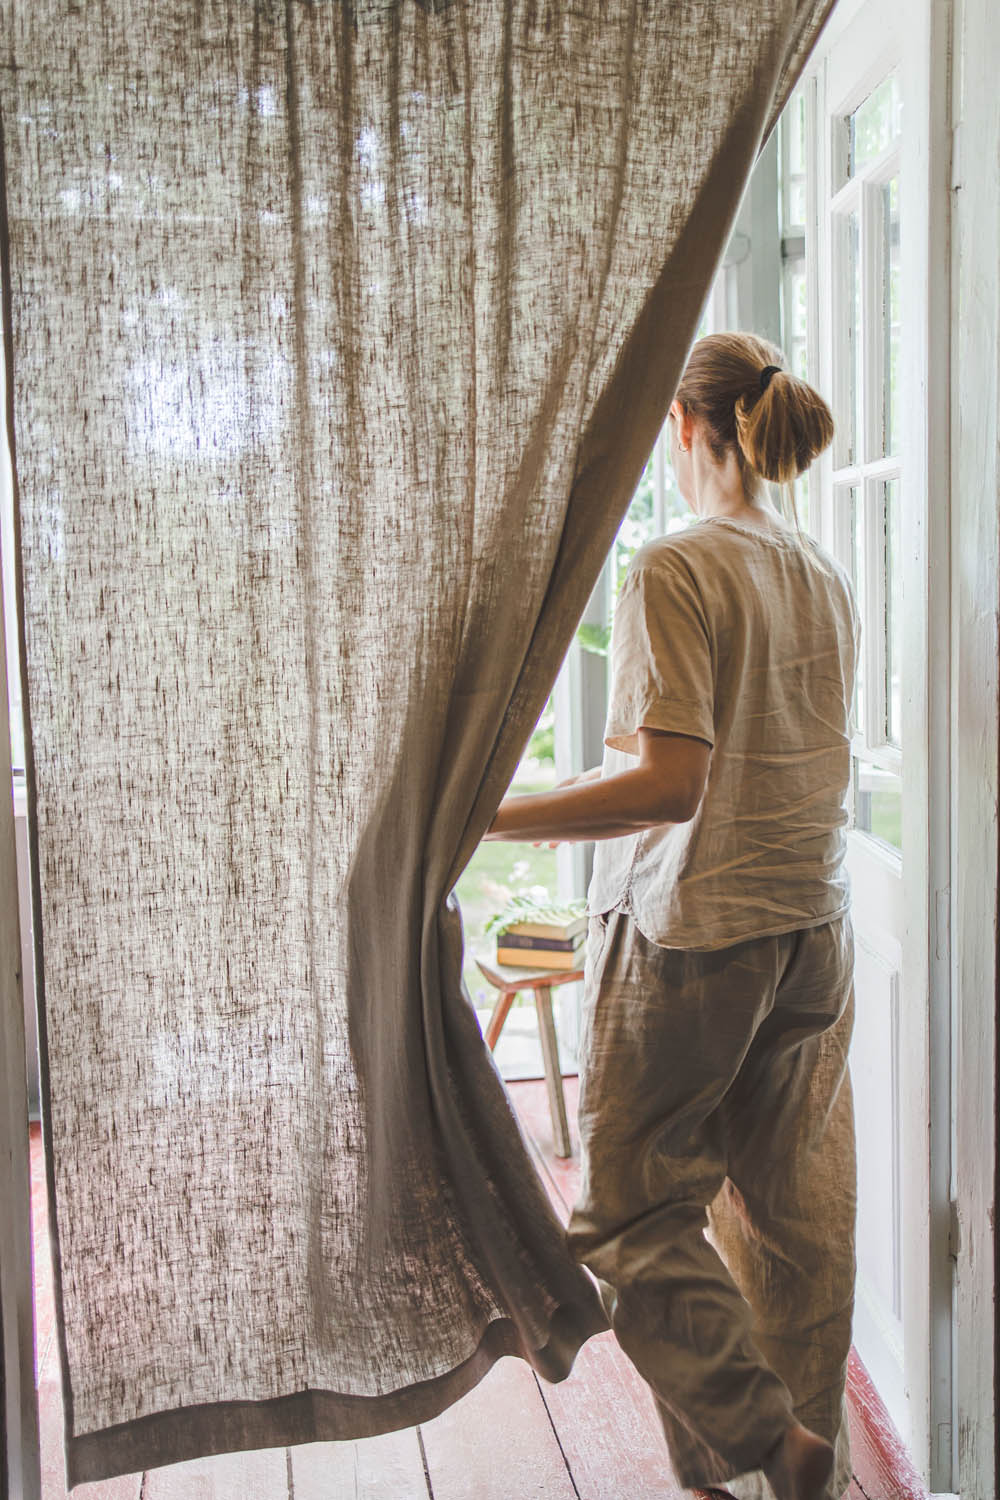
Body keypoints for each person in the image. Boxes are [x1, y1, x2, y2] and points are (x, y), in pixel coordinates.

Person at [485, 332, 859, 1500]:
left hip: (702, 939)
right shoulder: (817, 570)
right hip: (813, 931)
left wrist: (488, 818)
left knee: (630, 1218)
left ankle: (767, 1443)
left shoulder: (674, 565)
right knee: (790, 1228)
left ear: (680, 425)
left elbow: (669, 787)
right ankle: (751, 1466)